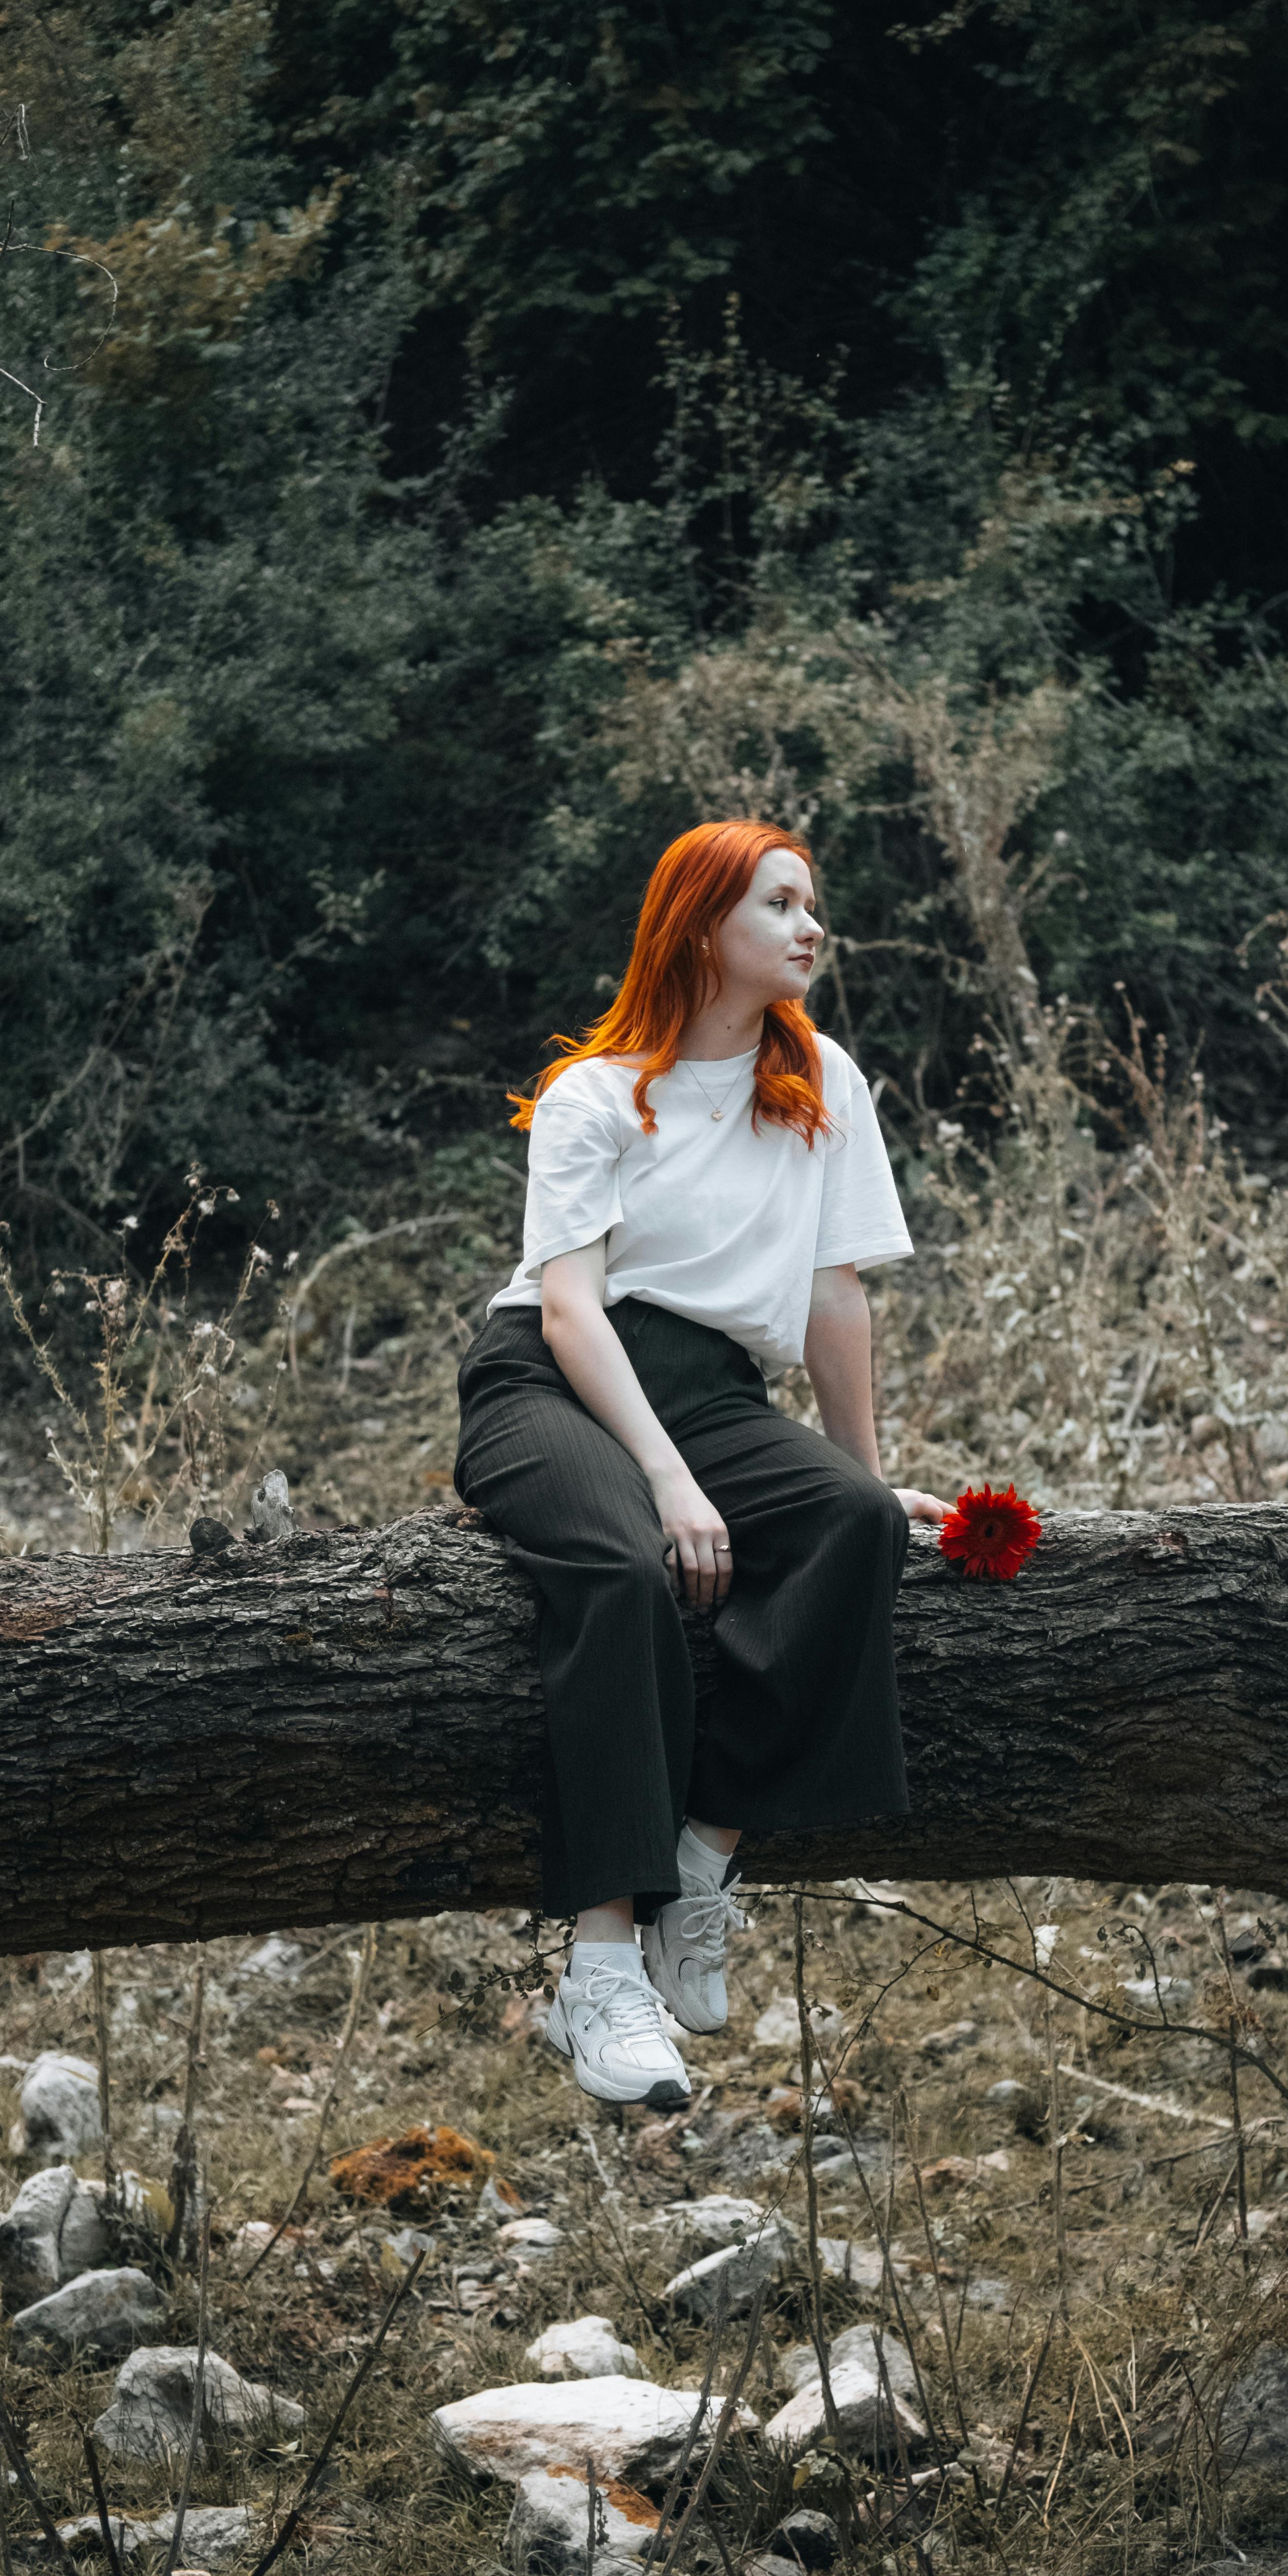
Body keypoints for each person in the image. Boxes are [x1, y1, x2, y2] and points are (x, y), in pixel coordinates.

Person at [453, 819, 953, 2107]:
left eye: (812, 904)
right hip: (555, 1378)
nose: (810, 925)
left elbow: (835, 1298)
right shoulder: (597, 1092)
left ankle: (703, 1857)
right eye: (779, 903)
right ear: (701, 925)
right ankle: (602, 1969)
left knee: (855, 1529)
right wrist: (670, 1481)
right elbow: (571, 1311)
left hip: (717, 1391)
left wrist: (862, 1471)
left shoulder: (823, 1080)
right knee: (624, 1572)